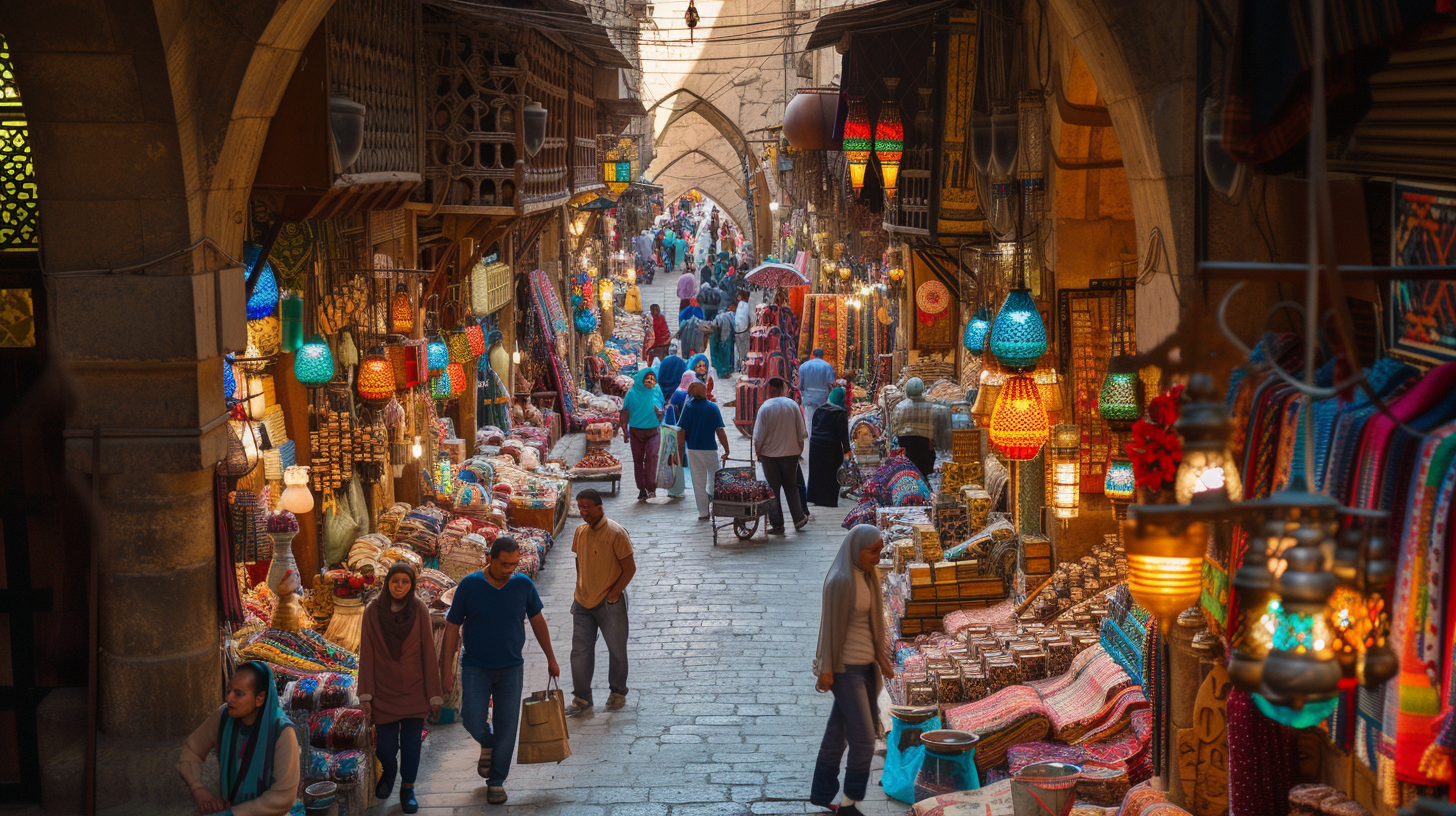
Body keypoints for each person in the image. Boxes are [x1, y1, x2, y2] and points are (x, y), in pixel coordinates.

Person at [441, 536, 560, 805]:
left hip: (511, 668)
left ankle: (496, 781)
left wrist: (551, 659)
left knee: (508, 726)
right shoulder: (470, 586)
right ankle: (489, 742)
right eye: (505, 564)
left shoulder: (522, 585)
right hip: (475, 666)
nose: (510, 570)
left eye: (514, 564)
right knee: (471, 718)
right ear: (490, 559)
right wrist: (445, 669)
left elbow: (538, 621)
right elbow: (451, 628)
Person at [811, 525, 894, 816]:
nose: (877, 557)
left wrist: (881, 659)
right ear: (855, 549)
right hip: (845, 670)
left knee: (838, 732)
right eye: (872, 551)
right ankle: (849, 804)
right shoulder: (841, 581)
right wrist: (826, 668)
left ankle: (822, 794)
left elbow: (874, 623)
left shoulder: (870, 575)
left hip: (867, 667)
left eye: (879, 551)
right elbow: (829, 630)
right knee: (864, 739)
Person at [360, 562, 443, 814]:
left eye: (405, 582)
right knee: (385, 748)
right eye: (395, 581)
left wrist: (434, 694)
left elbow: (428, 652)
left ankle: (407, 789)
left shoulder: (418, 608)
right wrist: (366, 695)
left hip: (415, 691)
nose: (399, 587)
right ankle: (389, 771)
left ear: (411, 585)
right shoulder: (373, 611)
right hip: (383, 692)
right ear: (387, 583)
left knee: (411, 745)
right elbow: (367, 654)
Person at [178, 661, 300, 816]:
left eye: (239, 693)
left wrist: (233, 813)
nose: (229, 697)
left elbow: (282, 798)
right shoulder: (224, 716)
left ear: (260, 698)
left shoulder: (282, 732)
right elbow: (191, 750)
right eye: (230, 690)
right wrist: (198, 788)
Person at [564, 489, 637, 716]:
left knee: (616, 650)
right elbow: (580, 562)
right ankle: (582, 697)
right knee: (580, 651)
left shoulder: (616, 533)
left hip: (609, 603)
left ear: (600, 507)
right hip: (583, 602)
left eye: (587, 506)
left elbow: (629, 568)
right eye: (580, 506)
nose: (583, 511)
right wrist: (580, 588)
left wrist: (614, 594)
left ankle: (617, 692)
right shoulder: (580, 532)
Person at [753, 377, 810, 534]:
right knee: (791, 487)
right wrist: (799, 448)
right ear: (783, 388)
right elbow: (801, 432)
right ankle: (798, 518)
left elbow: (759, 436)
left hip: (769, 455)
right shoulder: (792, 405)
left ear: (770, 390)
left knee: (773, 489)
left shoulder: (765, 408)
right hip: (791, 454)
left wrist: (758, 452)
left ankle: (777, 524)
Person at [678, 381, 730, 520]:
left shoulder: (688, 408)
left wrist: (679, 451)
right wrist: (726, 449)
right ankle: (714, 500)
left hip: (693, 449)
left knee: (698, 480)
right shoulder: (712, 407)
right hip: (710, 449)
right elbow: (720, 431)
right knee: (715, 476)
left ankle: (703, 512)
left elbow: (681, 432)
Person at [889, 377, 952, 478]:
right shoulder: (931, 406)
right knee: (923, 471)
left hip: (906, 444)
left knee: (909, 470)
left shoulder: (900, 407)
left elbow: (895, 428)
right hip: (925, 445)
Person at [621, 368, 665, 500]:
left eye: (652, 379)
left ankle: (651, 487)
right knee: (638, 460)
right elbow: (624, 411)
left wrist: (660, 413)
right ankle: (642, 488)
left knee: (652, 457)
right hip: (636, 432)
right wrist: (625, 431)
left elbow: (662, 404)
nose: (650, 381)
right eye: (647, 379)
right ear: (641, 379)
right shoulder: (632, 393)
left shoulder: (656, 389)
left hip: (654, 431)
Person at [808, 387, 852, 509]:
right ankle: (829, 500)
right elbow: (843, 434)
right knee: (831, 475)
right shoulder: (840, 413)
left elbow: (814, 429)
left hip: (816, 447)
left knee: (817, 473)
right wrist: (847, 450)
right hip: (831, 448)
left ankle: (816, 498)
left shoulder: (819, 410)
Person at [799, 348, 837, 418]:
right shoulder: (827, 366)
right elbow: (831, 382)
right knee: (821, 420)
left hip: (808, 397)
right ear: (822, 355)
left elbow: (800, 384)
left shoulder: (803, 366)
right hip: (822, 398)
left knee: (809, 422)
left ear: (813, 355)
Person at [733, 291, 753, 373]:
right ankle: (744, 366)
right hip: (744, 331)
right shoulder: (747, 306)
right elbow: (749, 319)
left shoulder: (739, 306)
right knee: (744, 349)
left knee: (738, 349)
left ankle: (738, 366)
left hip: (737, 330)